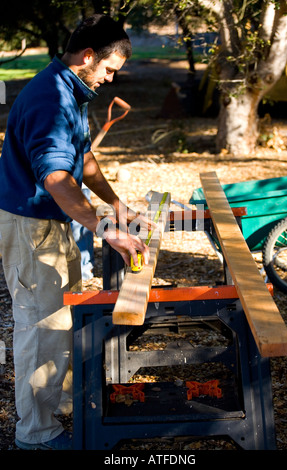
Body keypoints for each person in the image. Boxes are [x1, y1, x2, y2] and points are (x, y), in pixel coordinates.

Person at [0, 14, 152, 450]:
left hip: (51, 221)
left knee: (63, 317)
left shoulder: (71, 90)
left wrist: (116, 205)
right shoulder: (50, 98)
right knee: (41, 324)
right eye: (108, 69)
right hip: (29, 226)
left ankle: (61, 405)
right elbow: (56, 179)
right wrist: (108, 230)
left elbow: (82, 161)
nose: (109, 79)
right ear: (88, 56)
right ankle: (37, 434)